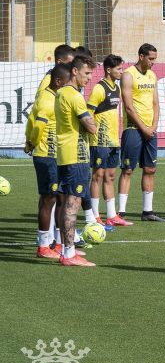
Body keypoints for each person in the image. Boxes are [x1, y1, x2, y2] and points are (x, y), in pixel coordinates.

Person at [55, 56, 99, 267]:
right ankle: (68, 254)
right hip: (76, 156)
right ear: (74, 71)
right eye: (87, 73)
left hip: (66, 154)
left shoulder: (61, 92)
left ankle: (67, 249)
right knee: (73, 204)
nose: (89, 78)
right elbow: (91, 127)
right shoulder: (74, 96)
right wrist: (93, 121)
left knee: (66, 203)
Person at [26, 64, 68, 259]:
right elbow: (37, 124)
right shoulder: (47, 100)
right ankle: (43, 247)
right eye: (67, 83)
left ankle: (57, 244)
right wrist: (32, 142)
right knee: (48, 198)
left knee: (59, 197)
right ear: (58, 82)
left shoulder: (55, 97)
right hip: (46, 155)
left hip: (56, 156)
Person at [118, 43, 164, 222]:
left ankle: (147, 211)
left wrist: (152, 127)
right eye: (151, 58)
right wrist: (144, 128)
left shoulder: (152, 75)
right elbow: (128, 107)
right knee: (128, 170)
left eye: (155, 59)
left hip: (150, 130)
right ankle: (120, 213)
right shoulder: (128, 75)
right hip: (133, 129)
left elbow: (155, 103)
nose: (153, 62)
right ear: (141, 56)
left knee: (150, 169)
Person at [87, 55, 124, 229]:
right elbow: (88, 113)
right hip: (100, 140)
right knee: (98, 176)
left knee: (110, 176)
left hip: (113, 140)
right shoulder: (99, 89)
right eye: (118, 69)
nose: (121, 71)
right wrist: (93, 133)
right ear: (109, 70)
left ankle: (111, 215)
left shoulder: (116, 88)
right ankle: (95, 215)